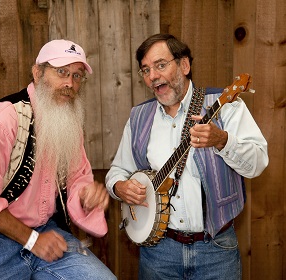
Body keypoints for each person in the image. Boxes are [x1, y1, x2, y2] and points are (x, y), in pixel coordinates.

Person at [105, 33, 268, 279]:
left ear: (184, 65)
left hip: (216, 250)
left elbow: (258, 163)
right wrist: (120, 187)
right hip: (158, 251)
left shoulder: (226, 105)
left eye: (160, 65)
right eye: (146, 70)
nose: (153, 76)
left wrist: (223, 141)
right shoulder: (138, 117)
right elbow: (117, 171)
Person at [0, 39, 116, 280]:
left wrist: (86, 194)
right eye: (61, 72)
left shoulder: (67, 120)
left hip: (47, 232)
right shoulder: (1, 121)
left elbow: (77, 177)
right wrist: (33, 240)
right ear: (37, 72)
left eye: (77, 76)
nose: (69, 84)